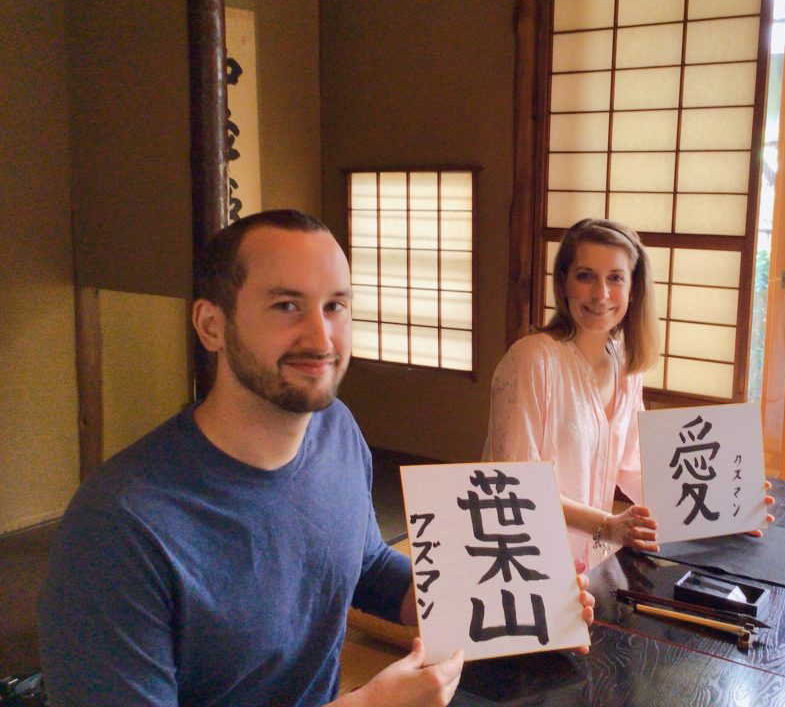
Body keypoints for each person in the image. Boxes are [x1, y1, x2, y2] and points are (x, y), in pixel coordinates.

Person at [38, 210, 593, 707]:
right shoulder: (119, 526)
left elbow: (366, 565)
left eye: (336, 306)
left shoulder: (336, 431)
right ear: (212, 325)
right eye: (286, 306)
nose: (321, 336)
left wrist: (509, 602)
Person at [483, 218, 773, 570]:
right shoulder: (532, 360)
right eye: (585, 276)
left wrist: (724, 509)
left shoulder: (624, 363)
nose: (600, 295)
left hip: (593, 558)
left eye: (615, 278)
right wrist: (609, 525)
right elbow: (514, 488)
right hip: (522, 559)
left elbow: (633, 469)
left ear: (634, 288)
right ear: (563, 284)